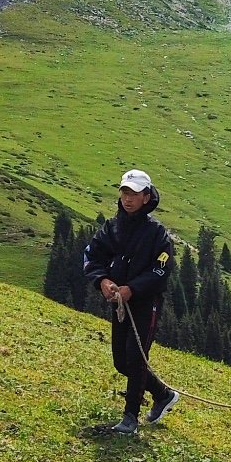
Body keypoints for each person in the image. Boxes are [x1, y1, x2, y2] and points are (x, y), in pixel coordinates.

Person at [84, 169, 181, 434]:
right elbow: (92, 256)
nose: (128, 199)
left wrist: (132, 289)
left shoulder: (156, 232)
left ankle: (130, 417)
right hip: (120, 302)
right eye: (125, 193)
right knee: (121, 361)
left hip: (145, 302)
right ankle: (163, 395)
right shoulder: (112, 227)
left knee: (137, 358)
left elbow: (161, 270)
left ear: (146, 197)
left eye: (134, 194)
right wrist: (102, 281)